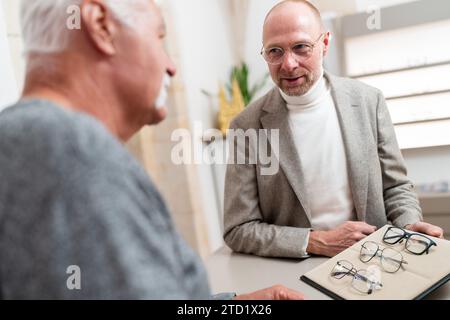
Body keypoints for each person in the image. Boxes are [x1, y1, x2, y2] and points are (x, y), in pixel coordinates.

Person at [0, 0, 304, 300]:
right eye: (159, 38)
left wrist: (240, 305)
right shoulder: (78, 154)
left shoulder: (20, 139)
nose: (170, 66)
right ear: (99, 25)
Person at [223, 0, 444, 259]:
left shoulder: (368, 101)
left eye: (301, 47)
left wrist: (408, 226)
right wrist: (316, 242)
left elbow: (395, 187)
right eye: (275, 51)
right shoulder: (246, 126)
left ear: (324, 44)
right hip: (296, 270)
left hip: (378, 259)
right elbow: (238, 229)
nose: (289, 64)